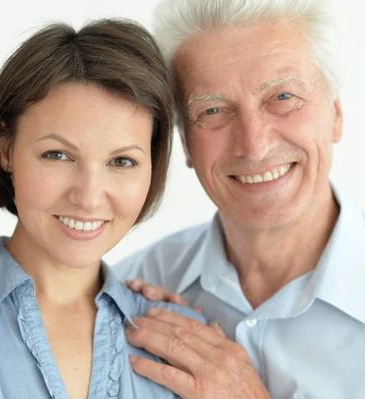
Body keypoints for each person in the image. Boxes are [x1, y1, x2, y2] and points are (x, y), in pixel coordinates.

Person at [0, 19, 207, 399]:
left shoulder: (185, 338)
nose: (88, 197)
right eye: (57, 155)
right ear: (6, 150)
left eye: (121, 162)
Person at [116, 0, 365, 398]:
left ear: (336, 113)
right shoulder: (130, 294)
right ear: (185, 143)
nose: (254, 145)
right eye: (213, 110)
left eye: (283, 97)